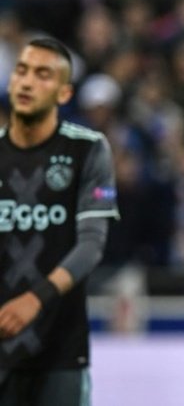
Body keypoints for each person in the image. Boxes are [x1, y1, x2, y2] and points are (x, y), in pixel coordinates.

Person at [0, 37, 119, 405]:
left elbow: (91, 245)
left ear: (64, 94)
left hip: (60, 352)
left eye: (43, 74)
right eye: (21, 71)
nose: (27, 81)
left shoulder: (88, 149)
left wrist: (36, 298)